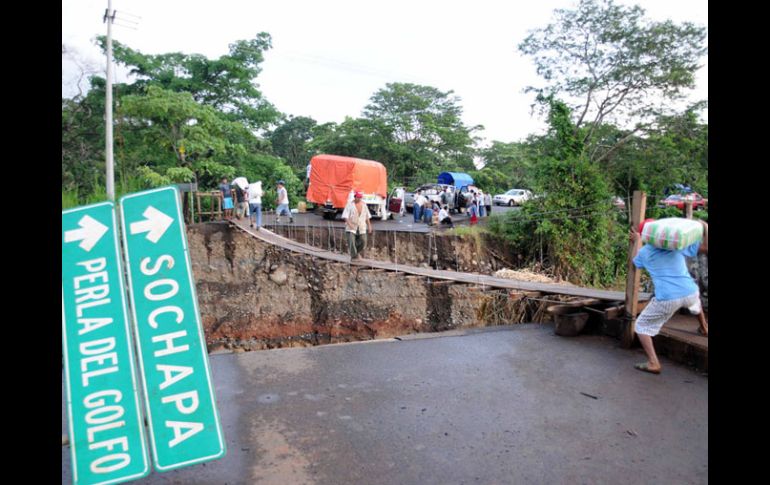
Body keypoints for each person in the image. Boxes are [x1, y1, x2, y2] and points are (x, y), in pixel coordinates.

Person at [630, 218, 709, 374]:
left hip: (668, 297)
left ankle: (653, 362)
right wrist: (706, 227)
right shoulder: (676, 247)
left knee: (641, 326)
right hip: (690, 292)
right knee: (695, 304)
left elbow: (635, 262)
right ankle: (704, 327)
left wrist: (637, 241)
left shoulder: (646, 252)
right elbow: (705, 247)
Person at [341, 191, 373, 260]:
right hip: (351, 226)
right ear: (355, 197)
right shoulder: (349, 205)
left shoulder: (364, 205)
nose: (359, 199)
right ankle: (354, 256)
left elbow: (367, 216)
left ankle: (356, 253)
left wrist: (369, 226)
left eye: (360, 198)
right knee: (351, 241)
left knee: (363, 241)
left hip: (361, 226)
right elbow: (345, 216)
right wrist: (349, 224)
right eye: (358, 197)